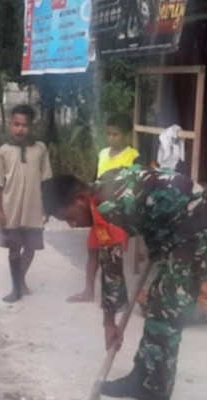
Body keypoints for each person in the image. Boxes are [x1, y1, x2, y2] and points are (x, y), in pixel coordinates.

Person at [42, 166, 207, 400]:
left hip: (199, 230)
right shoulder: (102, 189)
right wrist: (158, 238)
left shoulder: (107, 209)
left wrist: (109, 324)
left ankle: (155, 391)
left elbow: (112, 269)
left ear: (80, 198)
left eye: (68, 217)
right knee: (158, 305)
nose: (72, 224)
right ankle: (141, 378)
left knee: (167, 313)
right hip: (176, 228)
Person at [67, 114, 139, 303]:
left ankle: (115, 295)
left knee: (113, 254)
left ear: (126, 135)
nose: (112, 138)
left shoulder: (133, 156)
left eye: (116, 134)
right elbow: (95, 179)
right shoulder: (102, 154)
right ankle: (88, 291)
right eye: (109, 134)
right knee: (93, 250)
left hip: (118, 213)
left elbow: (136, 184)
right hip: (98, 211)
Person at [0, 104, 52, 303]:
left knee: (31, 247)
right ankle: (16, 289)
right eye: (16, 124)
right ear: (10, 125)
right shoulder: (3, 151)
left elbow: (45, 180)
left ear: (31, 126)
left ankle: (20, 278)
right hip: (11, 208)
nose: (20, 129)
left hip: (33, 208)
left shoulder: (40, 149)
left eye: (24, 125)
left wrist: (46, 205)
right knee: (14, 248)